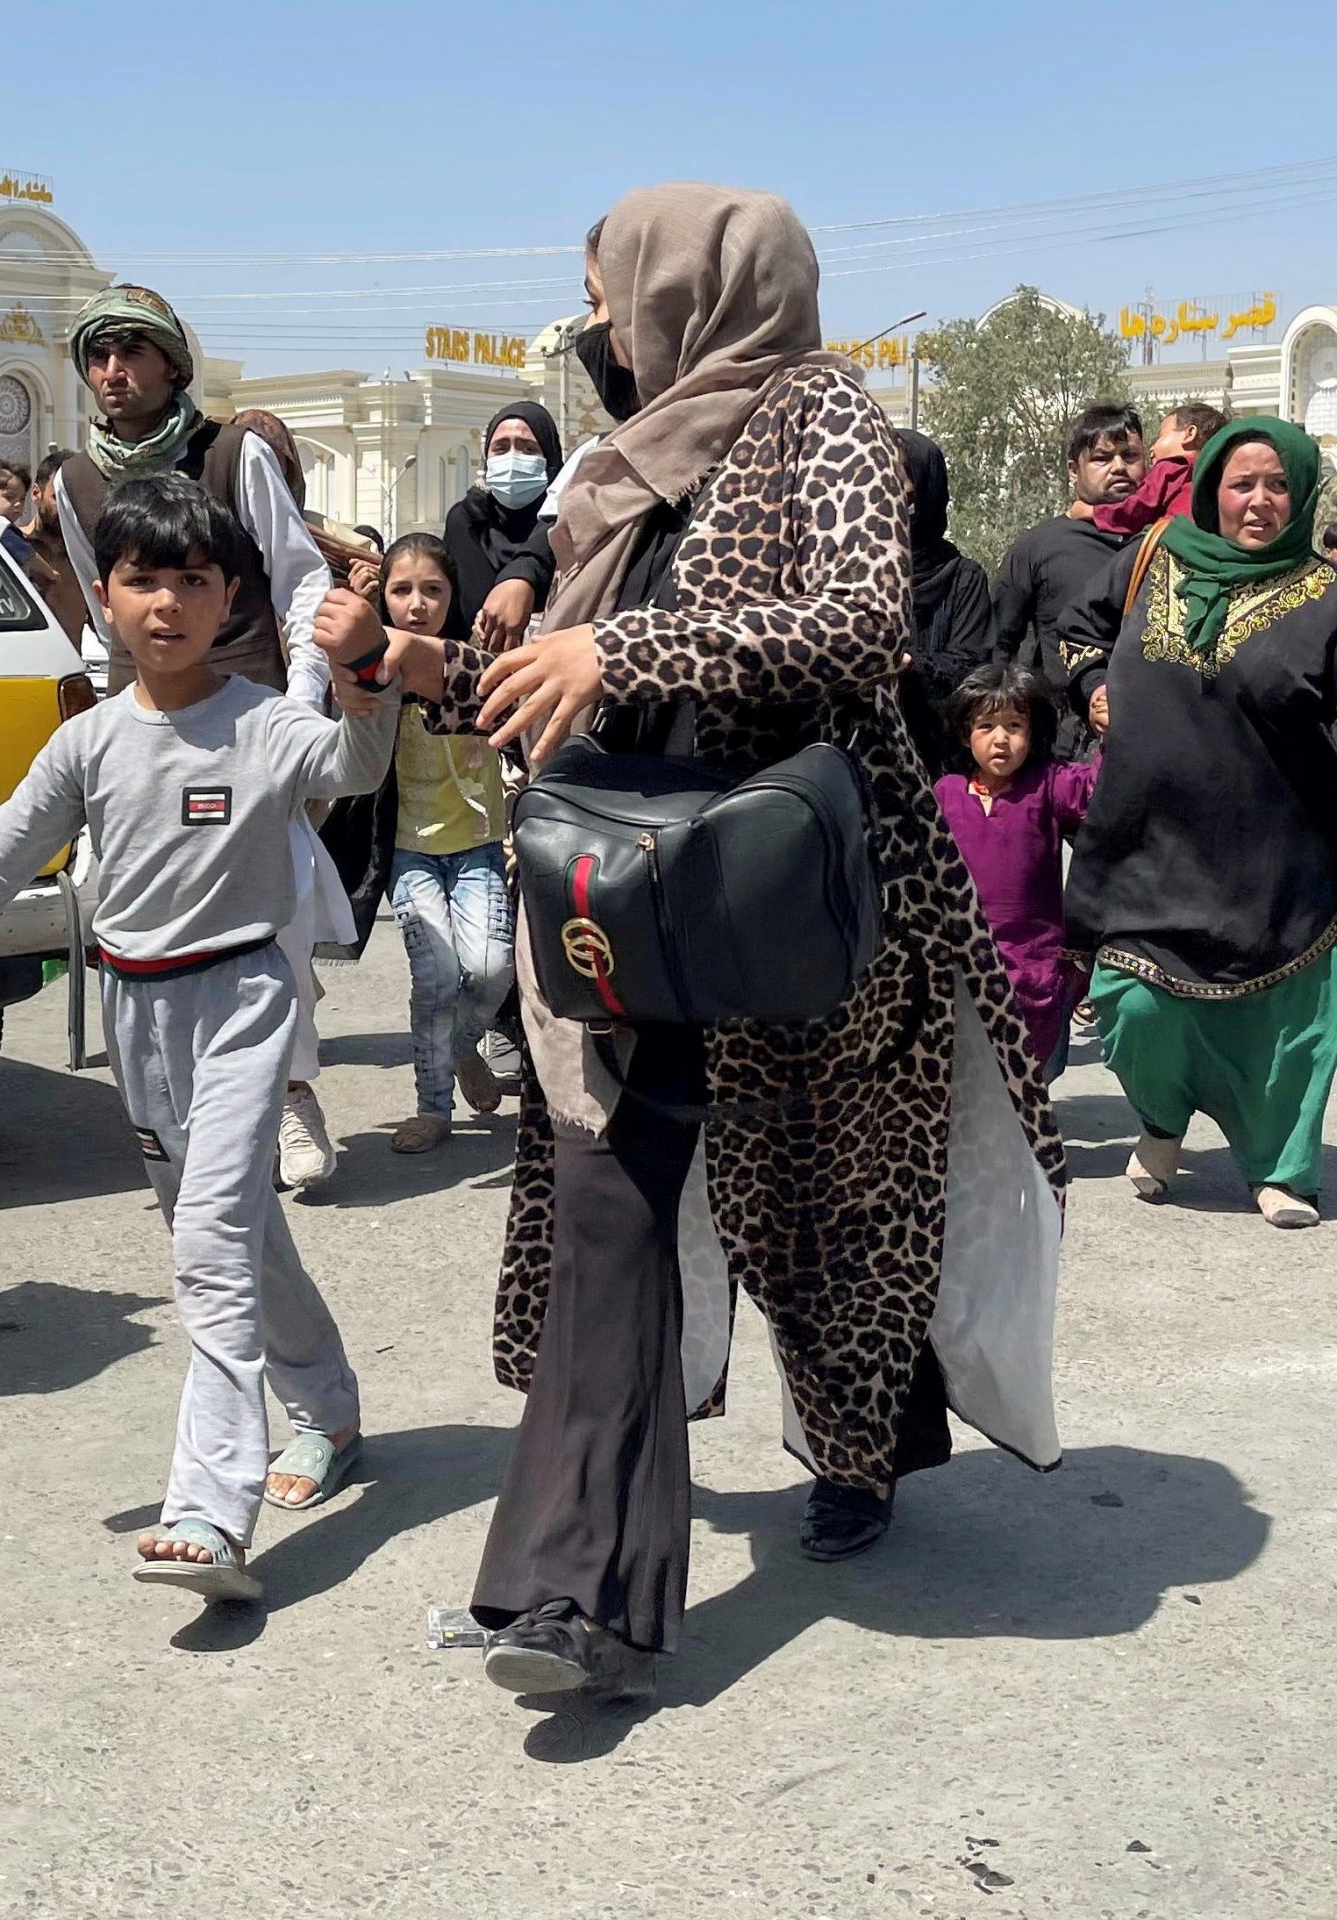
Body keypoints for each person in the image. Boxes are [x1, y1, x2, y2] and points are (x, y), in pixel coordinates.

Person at [320, 187, 1066, 1700]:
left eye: (606, 291)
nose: (592, 323)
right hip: (619, 898)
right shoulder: (617, 464)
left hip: (802, 901)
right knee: (611, 1222)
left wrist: (629, 644)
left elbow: (867, 625)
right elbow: (566, 685)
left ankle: (861, 1451)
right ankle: (561, 1587)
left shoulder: (821, 418)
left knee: (825, 1219)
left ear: (686, 286)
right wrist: (421, 666)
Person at [0, 477, 391, 1600]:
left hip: (241, 1004)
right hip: (139, 1019)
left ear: (228, 595)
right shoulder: (87, 743)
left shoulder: (265, 723)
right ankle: (327, 1408)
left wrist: (362, 673)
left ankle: (207, 1511)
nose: (167, 604)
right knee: (233, 1232)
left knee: (209, 1250)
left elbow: (354, 768)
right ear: (104, 597)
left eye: (193, 581)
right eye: (143, 580)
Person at [50, 287, 348, 1192]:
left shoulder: (232, 450)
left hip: (249, 715)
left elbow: (300, 580)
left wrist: (297, 706)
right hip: (142, 728)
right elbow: (100, 614)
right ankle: (185, 1105)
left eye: (132, 352)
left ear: (174, 363)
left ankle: (291, 1092)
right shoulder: (74, 480)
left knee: (276, 911)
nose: (113, 372)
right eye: (99, 356)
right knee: (130, 905)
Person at [1058, 417, 1337, 1228]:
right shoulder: (1155, 557)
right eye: (1242, 483)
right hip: (1149, 841)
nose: (1258, 501)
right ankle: (1162, 1122)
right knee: (1132, 1004)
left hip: (1278, 856)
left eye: (1277, 484)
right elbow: (1077, 629)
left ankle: (1282, 1168)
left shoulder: (1326, 599)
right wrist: (1088, 690)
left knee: (1286, 1021)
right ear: (1212, 484)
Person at [368, 534, 512, 1152]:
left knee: (490, 968)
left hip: (479, 843)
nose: (417, 604)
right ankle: (432, 1108)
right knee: (435, 976)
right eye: (401, 590)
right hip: (409, 851)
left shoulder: (477, 665)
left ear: (452, 595)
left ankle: (459, 1051)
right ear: (383, 596)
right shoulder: (374, 672)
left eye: (432, 590)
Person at [932, 665, 1098, 1071]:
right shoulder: (945, 793)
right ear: (964, 732)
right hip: (959, 966)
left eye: (1014, 725)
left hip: (1033, 969)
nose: (1000, 739)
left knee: (1030, 1081)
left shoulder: (1049, 785)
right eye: (985, 725)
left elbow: (1102, 790)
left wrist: (1108, 731)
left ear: (1033, 731)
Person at [993, 403, 1146, 759]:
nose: (1119, 467)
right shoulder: (1039, 546)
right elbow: (999, 648)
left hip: (1154, 742)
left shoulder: (1166, 543)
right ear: (1073, 471)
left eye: (1130, 455)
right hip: (1064, 751)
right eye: (1102, 458)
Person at [894, 429, 998, 775]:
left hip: (939, 764)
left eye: (900, 481)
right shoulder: (852, 572)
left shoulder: (963, 578)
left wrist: (906, 663)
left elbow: (971, 669)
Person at [442, 402, 563, 653]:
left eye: (528, 449)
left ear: (550, 460)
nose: (512, 458)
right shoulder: (465, 523)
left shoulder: (567, 525)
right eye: (501, 448)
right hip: (473, 677)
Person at [1091, 403, 1226, 538]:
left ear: (1190, 434)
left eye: (1160, 436)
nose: (1151, 449)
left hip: (1172, 543)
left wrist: (1093, 513)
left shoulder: (1173, 466)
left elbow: (1138, 508)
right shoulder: (1216, 477)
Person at [22, 450, 91, 650]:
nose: (66, 508)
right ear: (36, 493)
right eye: (57, 498)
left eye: (72, 500)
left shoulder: (85, 555)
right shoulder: (8, 546)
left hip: (67, 671)